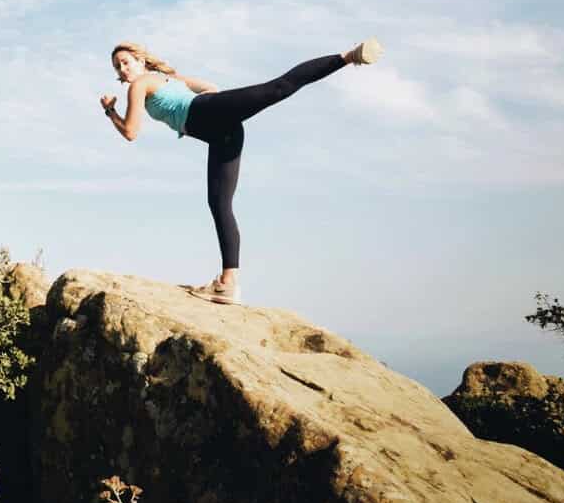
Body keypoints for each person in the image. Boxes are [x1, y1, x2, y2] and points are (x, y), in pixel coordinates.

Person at [99, 37, 383, 306]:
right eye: (118, 67)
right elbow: (210, 85)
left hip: (209, 113)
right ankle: (227, 282)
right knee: (219, 203)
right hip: (222, 131)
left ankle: (349, 56)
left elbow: (131, 132)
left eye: (125, 62)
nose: (122, 70)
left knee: (278, 88)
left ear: (140, 61)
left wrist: (111, 112)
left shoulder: (138, 86)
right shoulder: (169, 78)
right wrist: (197, 113)